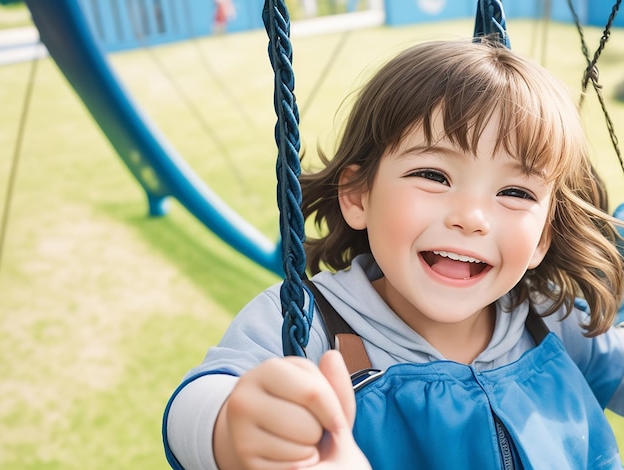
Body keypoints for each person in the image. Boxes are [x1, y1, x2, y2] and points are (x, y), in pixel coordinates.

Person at [163, 38, 624, 469]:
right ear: (359, 196)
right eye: (434, 175)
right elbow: (197, 400)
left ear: (543, 237)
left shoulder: (551, 320)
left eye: (515, 192)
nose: (472, 217)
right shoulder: (311, 324)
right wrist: (230, 425)